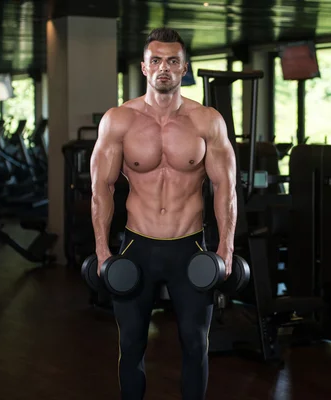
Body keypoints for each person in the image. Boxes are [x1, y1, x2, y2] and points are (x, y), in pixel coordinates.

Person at [89, 27, 237, 400]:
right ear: (144, 66)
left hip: (189, 247)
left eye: (173, 61)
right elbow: (101, 189)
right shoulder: (119, 120)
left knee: (194, 343)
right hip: (137, 245)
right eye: (156, 60)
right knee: (132, 345)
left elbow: (225, 188)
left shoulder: (207, 121)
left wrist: (226, 248)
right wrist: (104, 251)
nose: (164, 68)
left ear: (184, 68)